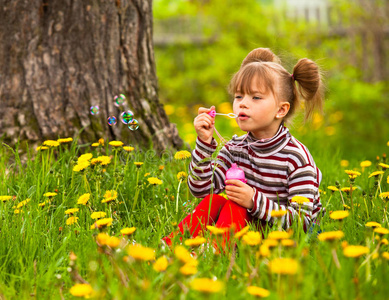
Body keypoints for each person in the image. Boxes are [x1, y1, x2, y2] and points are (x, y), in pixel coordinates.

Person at [163, 48, 324, 250]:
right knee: (215, 200)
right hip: (247, 228)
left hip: (284, 241)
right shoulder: (234, 149)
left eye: (256, 98)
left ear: (281, 109)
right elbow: (201, 189)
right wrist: (204, 144)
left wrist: (253, 201)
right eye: (239, 97)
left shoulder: (296, 158)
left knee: (236, 204)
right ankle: (169, 247)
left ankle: (211, 254)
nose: (243, 104)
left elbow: (303, 222)